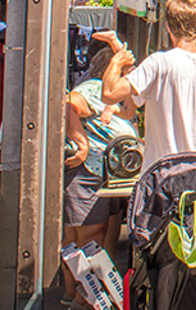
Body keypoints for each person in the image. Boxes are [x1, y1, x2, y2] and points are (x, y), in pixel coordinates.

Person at [99, 0, 196, 171]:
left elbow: (110, 93)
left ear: (167, 27)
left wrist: (116, 61)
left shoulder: (159, 63)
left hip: (161, 174)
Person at [62, 38, 138, 310]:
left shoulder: (112, 94)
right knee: (87, 235)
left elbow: (128, 111)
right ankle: (82, 297)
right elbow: (68, 104)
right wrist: (80, 143)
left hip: (103, 173)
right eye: (127, 69)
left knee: (96, 233)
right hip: (87, 171)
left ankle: (80, 294)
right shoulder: (92, 89)